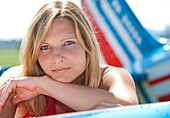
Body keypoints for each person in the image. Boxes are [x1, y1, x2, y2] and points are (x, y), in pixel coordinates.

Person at [0, 0, 138, 117]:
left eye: (68, 43)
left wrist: (44, 86)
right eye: (45, 47)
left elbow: (129, 110)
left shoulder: (111, 78)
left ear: (87, 45)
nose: (57, 58)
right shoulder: (16, 83)